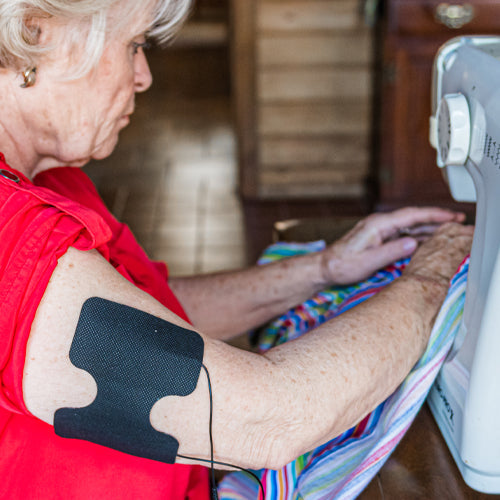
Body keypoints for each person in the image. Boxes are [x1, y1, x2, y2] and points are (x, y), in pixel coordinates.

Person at [0, 0, 473, 498]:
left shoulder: (52, 183)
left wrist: (324, 268)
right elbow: (270, 419)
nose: (143, 76)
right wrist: (431, 281)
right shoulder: (11, 238)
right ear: (38, 32)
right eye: (134, 45)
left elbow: (152, 321)